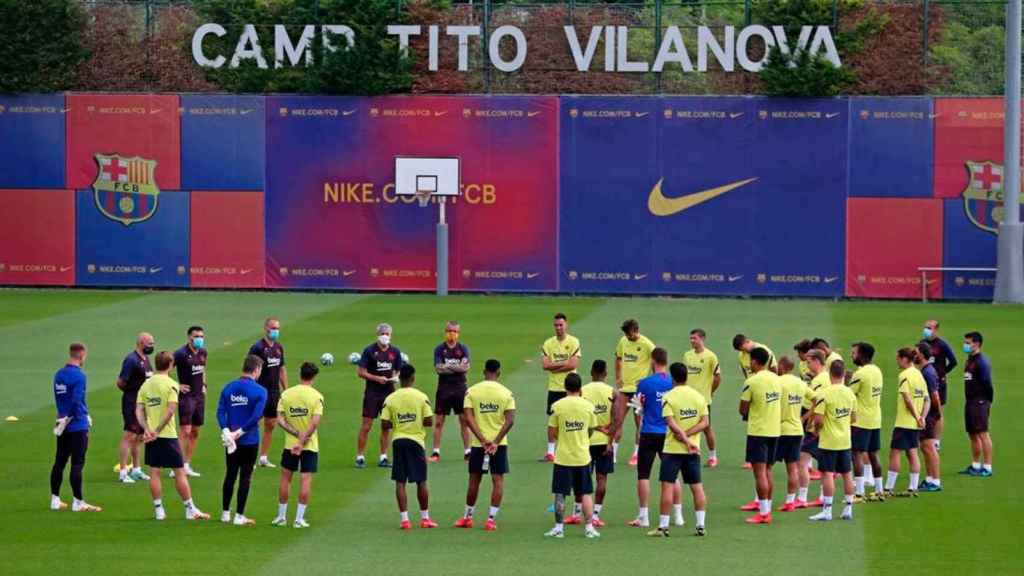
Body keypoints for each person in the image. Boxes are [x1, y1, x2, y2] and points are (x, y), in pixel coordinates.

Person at [135, 351, 210, 521]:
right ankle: (190, 509)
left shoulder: (146, 385)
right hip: (167, 435)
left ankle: (159, 510)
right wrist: (158, 430)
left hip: (151, 436)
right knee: (179, 472)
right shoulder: (172, 384)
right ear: (170, 365)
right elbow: (170, 411)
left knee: (154, 472)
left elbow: (139, 410)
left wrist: (147, 429)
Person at [649, 362, 708, 537]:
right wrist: (689, 439)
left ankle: (663, 527)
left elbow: (671, 423)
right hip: (693, 450)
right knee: (697, 487)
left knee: (667, 487)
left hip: (673, 450)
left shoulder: (669, 397)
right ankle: (700, 525)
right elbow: (705, 423)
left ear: (673, 377)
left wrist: (683, 437)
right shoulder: (699, 397)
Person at [456, 359, 516, 531]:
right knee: (497, 480)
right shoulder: (506, 393)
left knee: (474, 479)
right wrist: (495, 441)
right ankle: (490, 519)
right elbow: (510, 420)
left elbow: (468, 418)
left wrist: (482, 440)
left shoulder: (472, 391)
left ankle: (468, 517)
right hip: (499, 444)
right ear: (498, 372)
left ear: (484, 372)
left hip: (478, 444)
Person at [628, 347, 683, 529]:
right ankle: (678, 515)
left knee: (643, 474)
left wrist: (640, 425)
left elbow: (637, 408)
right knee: (673, 475)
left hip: (649, 432)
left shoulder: (644, 383)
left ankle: (644, 517)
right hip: (668, 432)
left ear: (653, 361)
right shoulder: (673, 383)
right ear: (666, 361)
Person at [545, 373, 600, 539]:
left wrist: (564, 438)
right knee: (585, 492)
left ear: (565, 387)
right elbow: (591, 429)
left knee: (560, 493)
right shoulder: (588, 406)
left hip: (563, 457)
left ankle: (559, 528)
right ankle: (589, 527)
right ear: (580, 388)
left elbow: (552, 432)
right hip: (583, 456)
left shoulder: (557, 406)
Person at [382, 364, 437, 530]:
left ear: (399, 379)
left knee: (400, 481)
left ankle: (405, 520)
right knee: (421, 481)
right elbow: (429, 421)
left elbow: (385, 424)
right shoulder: (421, 397)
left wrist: (400, 421)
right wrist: (414, 421)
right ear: (413, 378)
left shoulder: (390, 398)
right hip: (416, 442)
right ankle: (425, 518)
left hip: (398, 441)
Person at [216, 354, 267, 526]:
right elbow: (257, 415)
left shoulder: (229, 387)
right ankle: (239, 516)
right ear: (257, 369)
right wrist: (240, 432)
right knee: (246, 476)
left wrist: (226, 431)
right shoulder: (260, 391)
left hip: (230, 440)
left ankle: (225, 513)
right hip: (249, 440)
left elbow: (220, 412)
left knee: (230, 474)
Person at [50, 342, 101, 512]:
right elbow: (76, 399)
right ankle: (78, 502)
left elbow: (61, 399)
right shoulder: (80, 376)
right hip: (77, 425)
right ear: (82, 356)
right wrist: (79, 416)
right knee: (77, 463)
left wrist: (62, 418)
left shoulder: (59, 374)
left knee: (59, 461)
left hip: (62, 424)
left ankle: (55, 500)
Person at [272, 362, 324, 528]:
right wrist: (302, 440)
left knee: (286, 478)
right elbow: (315, 423)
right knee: (305, 479)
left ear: (300, 374)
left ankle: (281, 517)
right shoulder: (317, 396)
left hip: (290, 444)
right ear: (314, 377)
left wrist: (295, 435)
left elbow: (279, 419)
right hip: (309, 445)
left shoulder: (286, 394)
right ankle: (299, 519)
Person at [809, 360, 858, 521]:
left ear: (830, 374)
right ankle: (848, 509)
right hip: (845, 440)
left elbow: (818, 420)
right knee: (846, 473)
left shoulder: (824, 394)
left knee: (827, 473)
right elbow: (853, 418)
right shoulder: (850, 393)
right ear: (843, 374)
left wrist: (816, 431)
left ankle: (827, 510)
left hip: (829, 441)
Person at [738, 347, 782, 524]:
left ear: (755, 362)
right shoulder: (777, 379)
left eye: (750, 361)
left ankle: (763, 513)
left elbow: (743, 408)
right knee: (768, 470)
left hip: (758, 431)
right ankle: (767, 509)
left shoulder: (752, 381)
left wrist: (747, 413)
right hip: (775, 430)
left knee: (759, 473)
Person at [356, 323, 403, 469]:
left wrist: (395, 377)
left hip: (389, 393)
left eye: (388, 334)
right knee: (366, 426)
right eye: (383, 333)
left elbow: (398, 370)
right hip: (372, 393)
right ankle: (360, 456)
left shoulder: (395, 352)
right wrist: (377, 378)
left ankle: (383, 456)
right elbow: (361, 372)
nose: (385, 336)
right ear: (378, 334)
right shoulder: (369, 351)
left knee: (386, 426)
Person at [884, 348, 929, 497]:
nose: (896, 361)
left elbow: (907, 398)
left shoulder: (904, 375)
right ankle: (913, 487)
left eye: (898, 358)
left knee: (895, 453)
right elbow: (926, 399)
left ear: (904, 359)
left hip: (904, 422)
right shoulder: (919, 375)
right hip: (915, 424)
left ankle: (888, 488)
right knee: (912, 453)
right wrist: (922, 417)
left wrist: (917, 417)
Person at [579, 360, 617, 527]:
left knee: (583, 477)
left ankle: (578, 512)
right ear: (606, 374)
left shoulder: (582, 391)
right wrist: (610, 443)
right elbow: (616, 420)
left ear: (591, 372)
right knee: (602, 478)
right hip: (604, 442)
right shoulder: (612, 392)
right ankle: (595, 514)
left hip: (585, 441)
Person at [614, 319, 655, 467]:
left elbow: (657, 363)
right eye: (625, 334)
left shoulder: (647, 344)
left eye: (629, 333)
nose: (627, 336)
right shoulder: (623, 341)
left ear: (636, 330)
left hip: (639, 391)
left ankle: (636, 454)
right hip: (625, 390)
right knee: (617, 420)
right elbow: (618, 358)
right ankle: (613, 454)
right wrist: (618, 377)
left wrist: (649, 380)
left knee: (640, 424)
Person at [540, 313, 581, 462]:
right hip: (554, 388)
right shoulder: (548, 343)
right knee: (552, 420)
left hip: (571, 388)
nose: (558, 328)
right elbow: (545, 365)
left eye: (560, 325)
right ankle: (551, 451)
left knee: (573, 419)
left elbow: (573, 364)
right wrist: (563, 364)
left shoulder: (574, 341)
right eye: (556, 325)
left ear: (566, 325)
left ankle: (572, 448)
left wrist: (554, 367)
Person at [249, 317, 288, 468]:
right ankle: (250, 457)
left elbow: (282, 369)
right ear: (266, 328)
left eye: (277, 328)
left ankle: (263, 457)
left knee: (271, 423)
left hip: (274, 391)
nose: (275, 331)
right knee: (254, 423)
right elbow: (251, 369)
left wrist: (285, 389)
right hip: (259, 391)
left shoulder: (278, 347)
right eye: (273, 328)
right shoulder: (257, 348)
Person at [849, 342, 885, 501]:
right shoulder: (877, 370)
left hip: (860, 421)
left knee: (856, 454)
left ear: (862, 355)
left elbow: (848, 395)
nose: (852, 355)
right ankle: (879, 490)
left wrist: (845, 381)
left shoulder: (860, 374)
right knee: (873, 455)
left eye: (854, 353)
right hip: (875, 419)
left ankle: (859, 492)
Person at [116, 332, 154, 483]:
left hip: (143, 404)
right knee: (129, 435)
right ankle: (123, 472)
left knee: (139, 437)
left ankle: (136, 469)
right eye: (149, 343)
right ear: (141, 343)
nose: (152, 346)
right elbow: (120, 382)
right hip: (132, 403)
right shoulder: (131, 360)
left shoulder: (146, 359)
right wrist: (131, 394)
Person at [430, 321, 470, 462]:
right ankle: (436, 452)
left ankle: (467, 452)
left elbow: (465, 368)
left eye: (454, 331)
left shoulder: (463, 348)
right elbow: (438, 369)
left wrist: (447, 366)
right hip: (444, 388)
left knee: (464, 420)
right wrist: (456, 367)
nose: (452, 333)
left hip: (460, 387)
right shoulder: (439, 349)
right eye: (449, 330)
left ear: (458, 333)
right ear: (445, 332)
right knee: (439, 421)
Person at [682, 328, 721, 467]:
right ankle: (689, 451)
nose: (692, 341)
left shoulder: (711, 357)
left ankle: (713, 456)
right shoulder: (687, 355)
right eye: (691, 338)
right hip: (687, 398)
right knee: (686, 424)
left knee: (706, 428)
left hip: (703, 400)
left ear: (702, 339)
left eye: (695, 338)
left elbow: (717, 377)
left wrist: (711, 391)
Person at [173, 326, 207, 478]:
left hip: (199, 397)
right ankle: (177, 465)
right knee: (185, 431)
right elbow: (163, 371)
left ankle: (186, 464)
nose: (199, 338)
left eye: (201, 336)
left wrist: (204, 384)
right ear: (189, 337)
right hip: (186, 398)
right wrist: (177, 386)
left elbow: (202, 370)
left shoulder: (203, 352)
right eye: (196, 336)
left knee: (195, 431)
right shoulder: (180, 354)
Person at [775, 357, 808, 513]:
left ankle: (762, 501)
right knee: (792, 468)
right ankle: (790, 502)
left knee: (765, 467)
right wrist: (804, 418)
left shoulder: (778, 382)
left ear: (782, 366)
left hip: (780, 430)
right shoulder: (800, 383)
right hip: (797, 430)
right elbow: (817, 399)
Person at [798, 349, 830, 505]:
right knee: (824, 463)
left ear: (817, 361)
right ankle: (822, 497)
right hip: (826, 425)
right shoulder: (826, 377)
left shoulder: (819, 381)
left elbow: (817, 403)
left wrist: (805, 420)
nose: (806, 365)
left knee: (802, 461)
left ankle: (802, 498)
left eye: (809, 361)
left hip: (817, 426)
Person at [960, 331, 994, 477]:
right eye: (965, 342)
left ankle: (987, 467)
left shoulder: (982, 361)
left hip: (980, 401)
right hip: (970, 401)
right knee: (973, 434)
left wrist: (987, 400)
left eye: (968, 343)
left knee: (983, 433)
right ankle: (975, 465)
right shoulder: (970, 359)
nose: (966, 345)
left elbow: (987, 383)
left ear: (977, 344)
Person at [915, 342, 943, 492]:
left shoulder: (928, 373)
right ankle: (929, 478)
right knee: (925, 447)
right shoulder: (926, 370)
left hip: (929, 415)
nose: (914, 355)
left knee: (929, 447)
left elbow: (935, 395)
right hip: (927, 414)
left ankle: (936, 481)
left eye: (916, 352)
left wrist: (936, 413)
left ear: (922, 354)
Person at [920, 319, 958, 411]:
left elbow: (953, 361)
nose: (926, 330)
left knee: (938, 411)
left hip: (938, 383)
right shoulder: (922, 343)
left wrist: (942, 373)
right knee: (922, 408)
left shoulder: (942, 344)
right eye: (925, 327)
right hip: (923, 380)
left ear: (936, 330)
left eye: (929, 328)